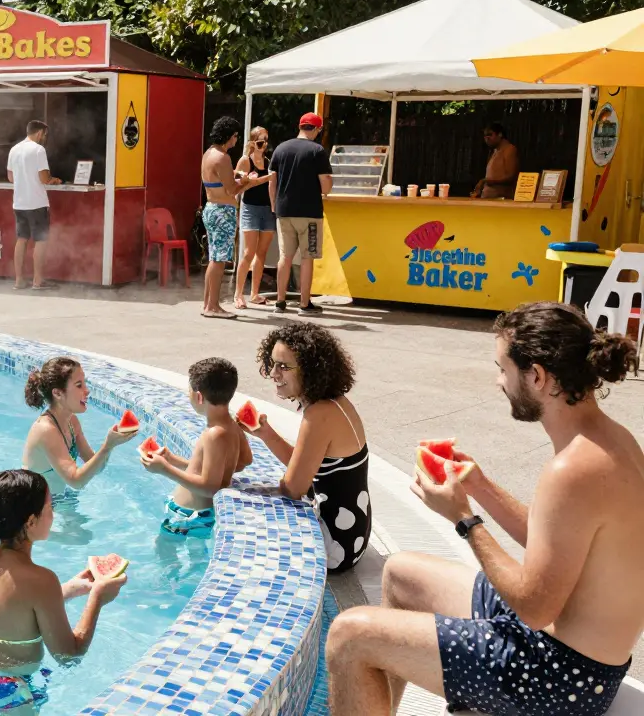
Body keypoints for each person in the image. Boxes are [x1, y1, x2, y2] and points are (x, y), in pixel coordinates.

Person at [325, 302, 642, 716]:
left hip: (557, 676)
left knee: (350, 636)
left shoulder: (572, 469)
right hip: (571, 654)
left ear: (537, 376)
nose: (498, 382)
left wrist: (464, 518)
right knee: (401, 572)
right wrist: (480, 486)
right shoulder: (612, 441)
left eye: (502, 369)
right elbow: (557, 539)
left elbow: (533, 608)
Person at [0, 469, 127, 712]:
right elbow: (68, 657)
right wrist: (97, 599)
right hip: (8, 689)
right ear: (31, 521)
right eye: (50, 507)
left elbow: (12, 611)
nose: (53, 515)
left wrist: (69, 590)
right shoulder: (42, 580)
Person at [242, 322, 370, 573]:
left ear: (310, 369)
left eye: (283, 366)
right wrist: (266, 434)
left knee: (246, 517)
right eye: (272, 363)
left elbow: (293, 488)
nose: (273, 373)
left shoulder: (319, 415)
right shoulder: (336, 403)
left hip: (336, 547)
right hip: (354, 534)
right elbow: (308, 465)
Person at [140, 358, 252, 538]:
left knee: (164, 554)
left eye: (189, 390)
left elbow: (209, 487)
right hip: (199, 516)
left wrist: (164, 469)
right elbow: (244, 461)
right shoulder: (232, 426)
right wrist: (174, 461)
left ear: (199, 396)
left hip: (188, 516)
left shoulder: (213, 434)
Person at [22, 357, 134, 501]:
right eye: (79, 385)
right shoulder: (46, 429)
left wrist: (112, 445)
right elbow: (76, 481)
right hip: (30, 507)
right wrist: (106, 446)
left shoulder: (72, 421)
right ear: (57, 393)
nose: (87, 391)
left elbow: (95, 468)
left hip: (56, 500)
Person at [200, 116, 270, 319]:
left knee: (214, 258)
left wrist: (239, 175)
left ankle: (207, 304)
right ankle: (213, 307)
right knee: (220, 260)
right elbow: (231, 190)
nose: (236, 140)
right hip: (223, 211)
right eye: (235, 136)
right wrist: (247, 181)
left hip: (211, 208)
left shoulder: (209, 153)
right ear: (229, 136)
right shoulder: (223, 157)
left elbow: (221, 179)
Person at [269, 113, 332, 316]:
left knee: (285, 257)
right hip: (309, 213)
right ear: (317, 129)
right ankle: (304, 304)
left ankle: (280, 301)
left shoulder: (280, 148)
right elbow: (326, 187)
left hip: (284, 211)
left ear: (300, 126)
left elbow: (272, 181)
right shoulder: (317, 151)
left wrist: (274, 206)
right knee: (307, 257)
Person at [7, 120, 62, 291]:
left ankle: (19, 281)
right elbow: (44, 178)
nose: (45, 138)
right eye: (45, 134)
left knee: (22, 239)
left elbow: (11, 177)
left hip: (19, 202)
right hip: (37, 203)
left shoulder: (14, 149)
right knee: (41, 240)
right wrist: (54, 180)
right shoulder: (39, 150)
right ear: (40, 132)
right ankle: (38, 281)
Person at [233, 127, 276, 309]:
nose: (263, 145)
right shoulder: (245, 160)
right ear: (252, 143)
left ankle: (255, 293)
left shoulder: (267, 161)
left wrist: (274, 207)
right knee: (248, 253)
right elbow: (239, 186)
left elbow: (272, 186)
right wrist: (264, 178)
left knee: (262, 254)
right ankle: (238, 294)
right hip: (250, 208)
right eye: (260, 141)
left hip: (267, 209)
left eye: (266, 141)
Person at [473, 121, 519, 200]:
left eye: (490, 134)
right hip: (488, 199)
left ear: (500, 134)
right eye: (485, 136)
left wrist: (484, 181)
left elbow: (511, 177)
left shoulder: (509, 149)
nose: (486, 138)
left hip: (501, 200)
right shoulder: (494, 151)